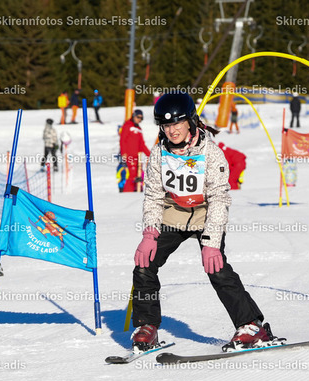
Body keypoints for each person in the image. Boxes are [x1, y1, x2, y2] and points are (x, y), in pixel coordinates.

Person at [130, 92, 279, 353]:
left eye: (177, 123)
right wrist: (150, 233)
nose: (172, 130)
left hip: (206, 214)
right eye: (166, 125)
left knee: (217, 268)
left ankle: (251, 326)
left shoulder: (211, 153)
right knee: (144, 265)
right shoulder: (159, 154)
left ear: (190, 121)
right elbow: (153, 196)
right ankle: (147, 326)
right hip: (174, 214)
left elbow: (219, 199)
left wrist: (211, 243)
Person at [119, 109, 150, 192]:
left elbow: (142, 144)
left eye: (141, 118)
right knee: (132, 175)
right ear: (134, 116)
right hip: (129, 156)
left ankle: (137, 192)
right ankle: (128, 194)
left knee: (140, 175)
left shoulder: (139, 128)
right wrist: (124, 153)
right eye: (138, 117)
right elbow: (123, 140)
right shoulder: (127, 126)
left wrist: (150, 155)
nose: (139, 119)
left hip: (137, 157)